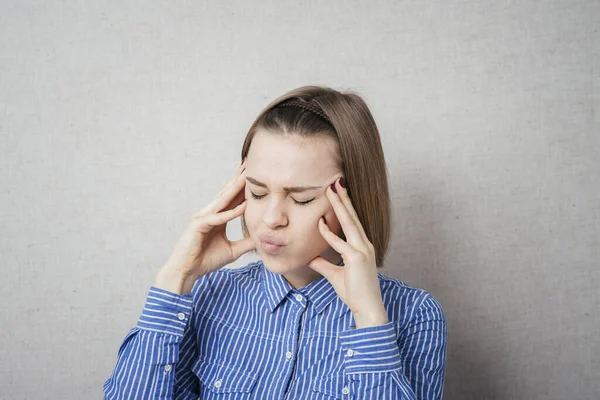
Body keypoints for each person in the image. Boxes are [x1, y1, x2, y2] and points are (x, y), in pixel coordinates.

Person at [103, 85, 447, 399]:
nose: (270, 219)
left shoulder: (414, 315)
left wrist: (370, 318)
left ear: (352, 200)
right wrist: (173, 279)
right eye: (257, 191)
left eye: (301, 200)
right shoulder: (209, 295)